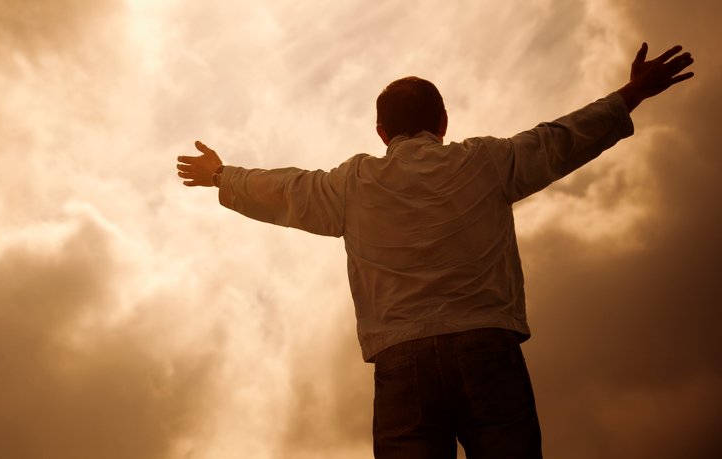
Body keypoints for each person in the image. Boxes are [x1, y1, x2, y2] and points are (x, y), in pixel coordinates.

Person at [176, 43, 695, 459]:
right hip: (488, 351)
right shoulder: (487, 161)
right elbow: (558, 140)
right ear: (443, 121)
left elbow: (286, 189)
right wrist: (630, 94)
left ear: (381, 132)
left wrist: (222, 175)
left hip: (403, 364)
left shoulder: (354, 184)